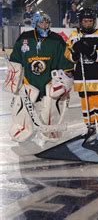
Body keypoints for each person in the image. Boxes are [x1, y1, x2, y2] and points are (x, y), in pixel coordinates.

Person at [8, 11, 74, 142]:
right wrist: (15, 82)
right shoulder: (24, 38)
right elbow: (15, 62)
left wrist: (66, 84)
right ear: (35, 23)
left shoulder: (57, 39)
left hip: (49, 82)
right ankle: (21, 129)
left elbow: (66, 66)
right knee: (22, 107)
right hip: (29, 81)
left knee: (51, 105)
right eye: (41, 22)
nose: (44, 25)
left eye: (46, 22)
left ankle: (51, 131)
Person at [65, 7, 98, 143]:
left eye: (90, 21)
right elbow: (67, 53)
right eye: (85, 21)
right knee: (86, 102)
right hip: (82, 76)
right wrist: (74, 54)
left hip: (97, 74)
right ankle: (90, 126)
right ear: (80, 22)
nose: (88, 23)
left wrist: (88, 50)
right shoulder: (74, 35)